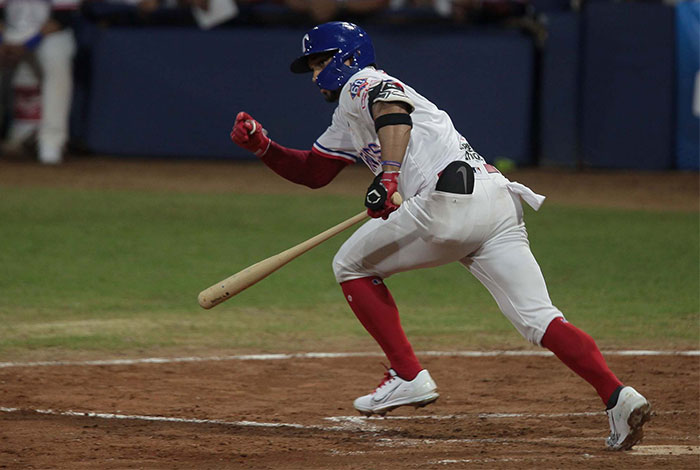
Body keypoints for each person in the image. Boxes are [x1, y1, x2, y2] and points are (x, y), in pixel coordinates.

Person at [230, 21, 652, 451]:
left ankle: (407, 375)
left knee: (349, 265)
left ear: (348, 59)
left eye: (320, 62)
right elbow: (314, 172)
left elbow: (393, 112)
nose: (316, 74)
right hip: (496, 202)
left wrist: (389, 178)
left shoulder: (365, 81)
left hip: (448, 202)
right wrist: (264, 146)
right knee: (540, 318)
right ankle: (618, 396)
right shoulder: (346, 115)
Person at [0, 0, 79, 164]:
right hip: (9, 32)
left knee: (57, 60)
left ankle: (51, 144)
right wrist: (2, 42)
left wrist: (28, 44)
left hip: (49, 34)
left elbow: (62, 18)